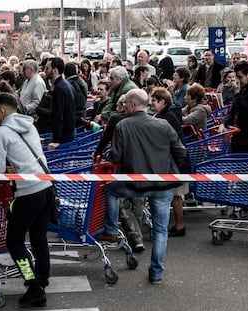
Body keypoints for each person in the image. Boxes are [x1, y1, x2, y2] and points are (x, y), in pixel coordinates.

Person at [96, 89, 188, 285]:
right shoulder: (163, 125)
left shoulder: (123, 126)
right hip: (163, 184)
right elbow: (180, 150)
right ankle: (156, 273)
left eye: (126, 104)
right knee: (161, 231)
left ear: (131, 104)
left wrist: (105, 156)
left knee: (110, 190)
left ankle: (111, 229)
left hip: (136, 184)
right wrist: (176, 170)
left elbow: (116, 155)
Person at [0, 92, 55, 308]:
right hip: (46, 187)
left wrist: (3, 171)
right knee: (39, 238)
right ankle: (41, 281)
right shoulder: (30, 126)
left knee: (15, 242)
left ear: (2, 110)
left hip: (27, 193)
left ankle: (33, 284)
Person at [151, 87, 191, 237]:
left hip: (177, 163)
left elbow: (169, 141)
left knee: (176, 195)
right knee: (174, 195)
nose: (151, 103)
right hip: (175, 161)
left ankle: (180, 225)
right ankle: (177, 224)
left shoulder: (169, 116)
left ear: (162, 101)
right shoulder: (167, 113)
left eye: (154, 101)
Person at [219, 61, 248, 153]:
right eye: (236, 77)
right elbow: (233, 110)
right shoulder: (242, 89)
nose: (237, 80)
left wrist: (238, 94)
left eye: (240, 77)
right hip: (237, 140)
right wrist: (224, 123)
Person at [44, 57, 75, 149]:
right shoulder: (66, 84)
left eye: (47, 68)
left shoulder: (59, 88)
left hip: (63, 136)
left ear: (55, 70)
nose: (45, 71)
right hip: (68, 132)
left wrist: (56, 140)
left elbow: (58, 114)